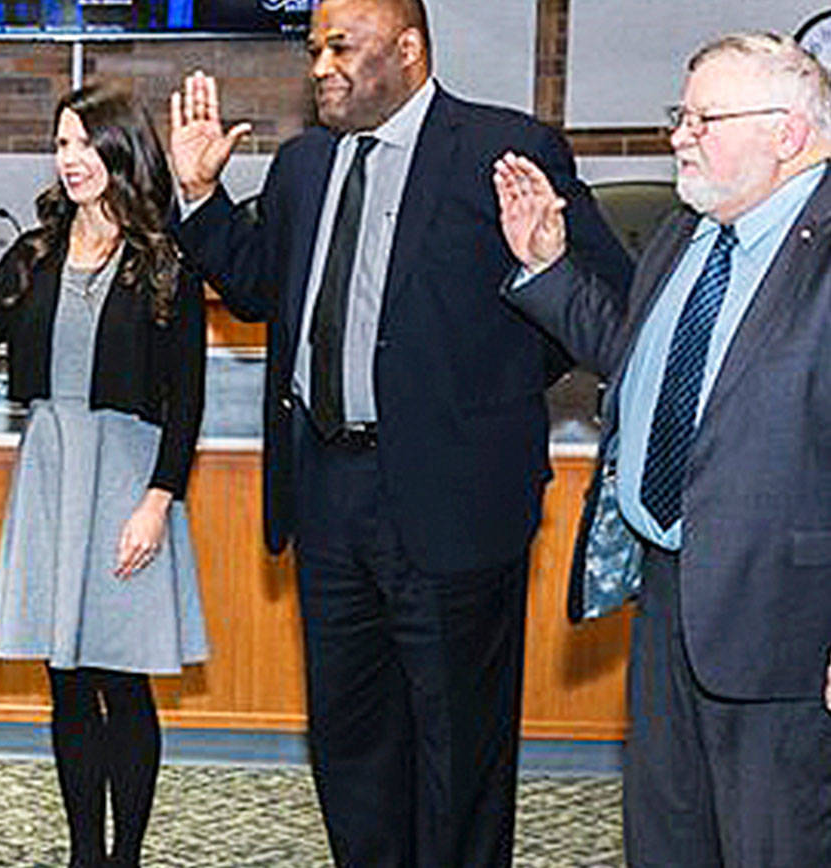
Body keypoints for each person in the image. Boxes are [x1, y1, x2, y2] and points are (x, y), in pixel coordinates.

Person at [167, 0, 633, 864]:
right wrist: (201, 197)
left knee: (459, 751)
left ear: (408, 49)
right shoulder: (306, 167)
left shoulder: (507, 150)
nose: (319, 66)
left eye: (341, 46)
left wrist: (474, 405)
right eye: (313, 49)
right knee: (351, 743)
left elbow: (603, 310)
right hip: (328, 496)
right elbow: (260, 290)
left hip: (455, 499)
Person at [495, 31, 831, 867]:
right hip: (672, 590)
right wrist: (548, 266)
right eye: (680, 114)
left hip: (788, 623)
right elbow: (643, 365)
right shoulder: (689, 237)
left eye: (703, 118)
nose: (678, 135)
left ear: (787, 132)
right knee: (669, 838)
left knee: (775, 846)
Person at [0, 85, 207, 868]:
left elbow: (188, 401)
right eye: (61, 143)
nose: (70, 159)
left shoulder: (165, 259)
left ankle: (126, 857)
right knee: (68, 679)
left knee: (125, 678)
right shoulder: (34, 253)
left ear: (122, 151)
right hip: (49, 472)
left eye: (84, 143)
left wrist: (157, 502)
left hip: (129, 479)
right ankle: (86, 855)